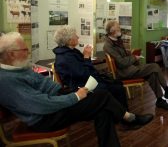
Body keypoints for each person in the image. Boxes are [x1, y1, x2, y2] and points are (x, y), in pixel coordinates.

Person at [0, 32, 153, 147]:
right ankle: (129, 118)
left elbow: (47, 86)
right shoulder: (5, 80)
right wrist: (75, 97)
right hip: (44, 117)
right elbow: (40, 105)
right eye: (24, 49)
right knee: (102, 96)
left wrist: (67, 93)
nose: (28, 52)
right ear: (11, 54)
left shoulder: (19, 68)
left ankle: (126, 121)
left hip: (54, 102)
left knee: (102, 107)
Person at [103, 21, 168, 111]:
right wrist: (134, 58)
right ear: (112, 31)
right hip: (125, 73)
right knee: (155, 66)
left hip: (129, 69)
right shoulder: (108, 46)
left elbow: (123, 55)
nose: (120, 29)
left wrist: (132, 54)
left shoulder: (116, 40)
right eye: (118, 28)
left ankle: (160, 100)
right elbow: (121, 62)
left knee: (152, 74)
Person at [53, 26, 129, 110]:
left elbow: (85, 69)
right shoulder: (66, 58)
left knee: (117, 83)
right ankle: (123, 114)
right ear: (69, 41)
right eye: (75, 36)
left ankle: (119, 113)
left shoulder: (71, 52)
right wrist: (86, 57)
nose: (78, 37)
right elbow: (85, 74)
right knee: (117, 88)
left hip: (87, 81)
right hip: (82, 87)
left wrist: (86, 58)